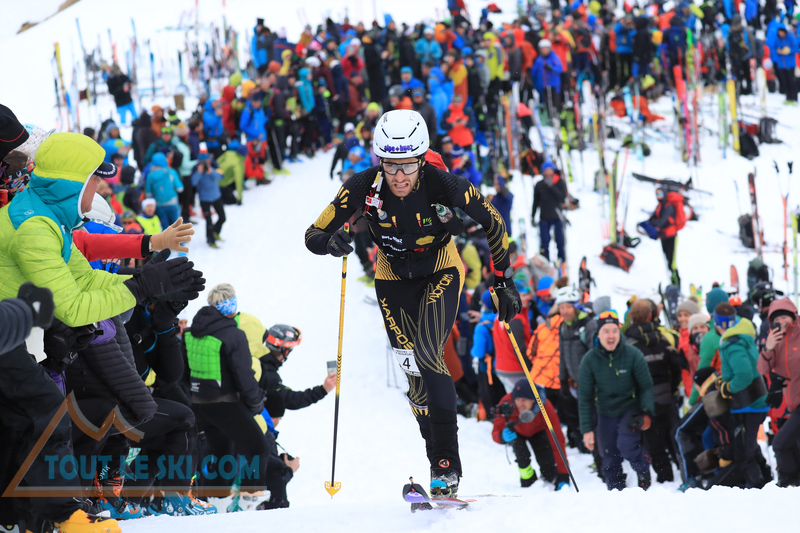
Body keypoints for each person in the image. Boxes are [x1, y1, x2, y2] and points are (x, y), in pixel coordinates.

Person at [305, 109, 520, 497]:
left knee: (427, 354)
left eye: (407, 165)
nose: (399, 176)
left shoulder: (444, 183)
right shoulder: (362, 185)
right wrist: (330, 243)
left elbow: (494, 222)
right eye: (390, 165)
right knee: (414, 380)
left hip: (440, 270)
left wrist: (504, 281)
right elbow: (313, 233)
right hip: (392, 279)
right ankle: (435, 463)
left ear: (421, 159)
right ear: (380, 161)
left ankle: (447, 464)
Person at [0, 131, 199, 533]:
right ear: (74, 182)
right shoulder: (35, 227)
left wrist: (149, 282)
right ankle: (63, 516)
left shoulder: (46, 216)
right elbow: (72, 307)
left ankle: (20, 518)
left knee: (22, 424)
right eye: (95, 178)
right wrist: (143, 286)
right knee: (45, 416)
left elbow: (84, 280)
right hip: (8, 337)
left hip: (14, 334)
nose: (100, 186)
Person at [184, 284, 274, 498]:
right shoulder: (234, 335)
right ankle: (252, 495)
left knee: (223, 453)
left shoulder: (190, 333)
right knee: (258, 449)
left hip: (199, 404)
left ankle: (216, 499)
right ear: (232, 307)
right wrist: (255, 402)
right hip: (224, 403)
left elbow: (184, 373)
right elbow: (244, 375)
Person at [580, 310, 655, 490]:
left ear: (619, 332)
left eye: (614, 330)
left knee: (626, 444)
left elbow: (646, 386)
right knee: (608, 452)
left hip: (629, 408)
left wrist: (646, 412)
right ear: (599, 334)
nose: (611, 336)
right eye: (606, 331)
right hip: (605, 410)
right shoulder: (589, 360)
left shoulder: (632, 354)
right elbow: (585, 397)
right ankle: (615, 488)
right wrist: (587, 430)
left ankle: (643, 471)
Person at [624, 299, 683, 483]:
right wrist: (672, 390)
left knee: (654, 441)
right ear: (651, 315)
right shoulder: (664, 338)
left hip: (645, 403)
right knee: (675, 437)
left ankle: (665, 478)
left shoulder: (628, 345)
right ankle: (685, 473)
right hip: (667, 397)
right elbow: (675, 368)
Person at [713, 302, 769, 488]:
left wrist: (727, 388)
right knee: (749, 443)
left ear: (718, 323)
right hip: (755, 399)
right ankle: (767, 480)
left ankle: (756, 487)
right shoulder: (742, 335)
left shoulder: (732, 344)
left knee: (745, 450)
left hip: (749, 401)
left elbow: (744, 374)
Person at [492, 380, 570, 489]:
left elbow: (558, 440)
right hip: (517, 434)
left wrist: (564, 475)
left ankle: (549, 475)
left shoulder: (545, 407)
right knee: (523, 458)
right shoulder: (506, 403)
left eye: (524, 400)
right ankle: (528, 480)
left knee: (549, 471)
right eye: (517, 399)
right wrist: (502, 437)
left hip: (539, 432)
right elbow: (495, 431)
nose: (520, 404)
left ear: (533, 400)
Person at [758, 298, 800, 486]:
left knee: (781, 443)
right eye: (777, 318)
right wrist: (768, 347)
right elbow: (763, 369)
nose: (782, 322)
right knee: (788, 443)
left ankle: (788, 481)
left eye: (785, 317)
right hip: (793, 403)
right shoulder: (776, 340)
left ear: (793, 317)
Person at [531, 161, 567, 264]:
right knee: (544, 242)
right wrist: (533, 216)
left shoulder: (559, 182)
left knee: (560, 241)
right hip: (544, 217)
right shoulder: (539, 185)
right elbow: (535, 202)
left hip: (557, 217)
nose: (548, 172)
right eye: (546, 170)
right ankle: (545, 261)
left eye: (549, 170)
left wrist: (552, 187)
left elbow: (562, 197)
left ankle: (561, 261)